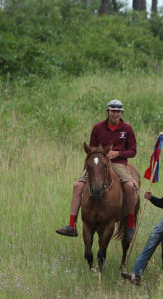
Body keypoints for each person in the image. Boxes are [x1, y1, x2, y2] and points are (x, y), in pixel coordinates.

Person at [56, 99, 138, 239]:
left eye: (118, 112)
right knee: (77, 185)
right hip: (99, 163)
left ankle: (130, 224)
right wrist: (99, 156)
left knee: (130, 186)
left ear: (121, 113)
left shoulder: (127, 129)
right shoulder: (98, 128)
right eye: (113, 111)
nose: (115, 114)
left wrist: (118, 153)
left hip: (118, 163)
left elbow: (133, 151)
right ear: (107, 112)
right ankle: (71, 225)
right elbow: (92, 149)